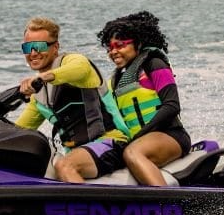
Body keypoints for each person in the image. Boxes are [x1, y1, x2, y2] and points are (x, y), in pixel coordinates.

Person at [13, 17, 128, 183]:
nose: (33, 53)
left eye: (40, 46)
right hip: (78, 152)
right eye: (28, 47)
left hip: (111, 143)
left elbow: (79, 69)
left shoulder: (73, 62)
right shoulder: (38, 95)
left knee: (64, 166)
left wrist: (43, 77)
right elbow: (20, 130)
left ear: (55, 47)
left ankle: (89, 208)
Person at [96, 10, 191, 186]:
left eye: (120, 45)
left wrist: (141, 134)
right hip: (139, 140)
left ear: (138, 43)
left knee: (132, 153)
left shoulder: (155, 64)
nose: (113, 52)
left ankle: (166, 202)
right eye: (110, 48)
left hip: (170, 135)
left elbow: (172, 105)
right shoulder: (116, 80)